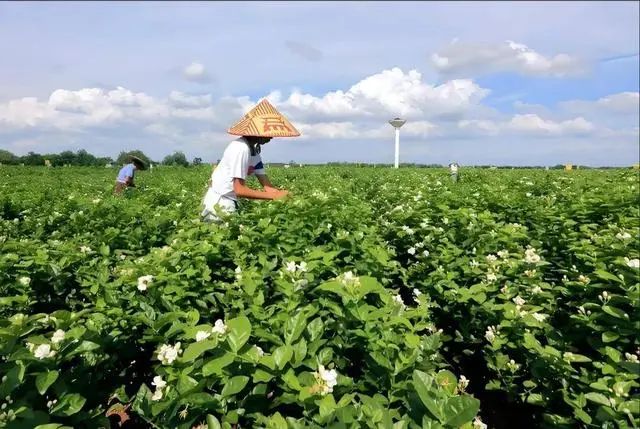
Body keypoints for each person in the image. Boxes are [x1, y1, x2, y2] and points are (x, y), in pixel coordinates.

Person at [201, 99, 300, 222]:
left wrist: (287, 197)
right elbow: (240, 190)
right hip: (220, 203)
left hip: (230, 200)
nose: (271, 136)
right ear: (257, 132)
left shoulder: (254, 152)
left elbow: (268, 187)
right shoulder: (240, 148)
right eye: (268, 132)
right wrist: (274, 196)